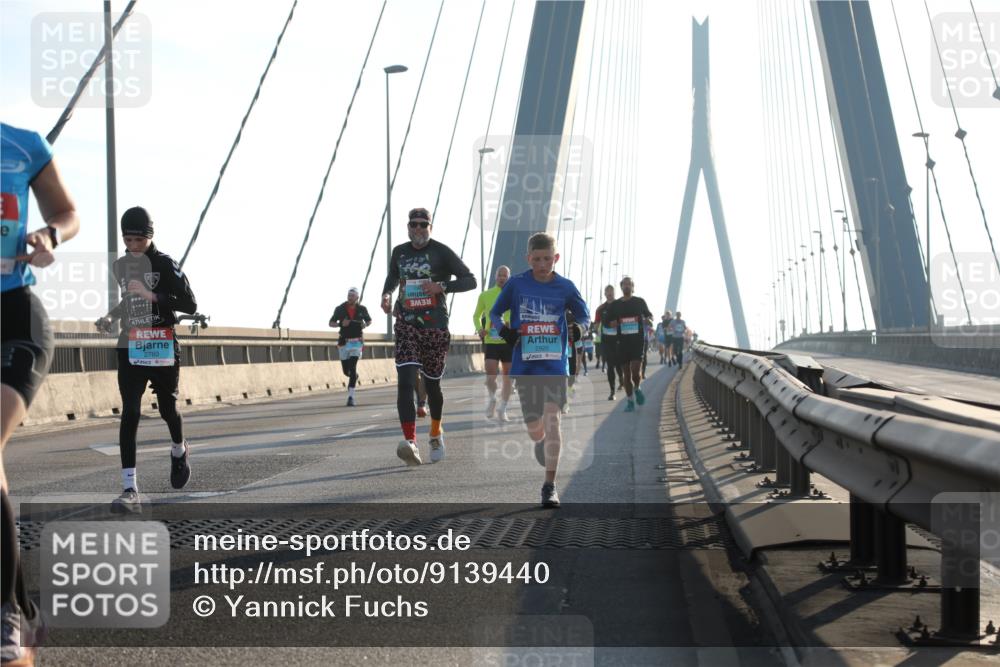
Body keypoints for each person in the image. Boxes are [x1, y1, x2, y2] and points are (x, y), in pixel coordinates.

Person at [1, 122, 80, 667]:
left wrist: (50, 236)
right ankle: (25, 610)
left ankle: (4, 616)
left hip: (16, 318)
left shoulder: (23, 145)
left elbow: (67, 213)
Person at [95, 207, 198, 513]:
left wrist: (154, 296)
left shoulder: (166, 264)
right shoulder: (120, 265)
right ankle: (130, 489)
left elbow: (190, 304)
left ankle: (179, 450)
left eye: (138, 239)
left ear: (149, 237)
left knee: (167, 408)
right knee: (129, 413)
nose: (133, 245)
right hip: (131, 344)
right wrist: (109, 317)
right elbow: (129, 300)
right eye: (127, 240)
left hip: (162, 343)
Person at [491, 233, 588, 507]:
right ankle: (540, 440)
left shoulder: (566, 287)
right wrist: (505, 333)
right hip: (525, 366)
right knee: (535, 427)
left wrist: (579, 329)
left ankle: (549, 485)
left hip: (555, 365)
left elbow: (584, 315)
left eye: (547, 259)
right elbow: (495, 315)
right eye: (537, 260)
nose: (542, 264)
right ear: (528, 259)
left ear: (556, 258)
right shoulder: (517, 284)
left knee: (553, 419)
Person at [381, 207, 475, 465]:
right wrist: (387, 294)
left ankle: (435, 432)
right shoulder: (399, 252)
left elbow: (470, 280)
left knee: (432, 385)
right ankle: (410, 442)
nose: (418, 229)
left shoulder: (441, 252)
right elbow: (393, 276)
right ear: (408, 227)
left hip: (434, 325)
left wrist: (441, 286)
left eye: (423, 224)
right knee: (406, 380)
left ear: (430, 227)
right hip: (407, 324)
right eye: (414, 224)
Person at [471, 265, 513, 421]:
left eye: (505, 276)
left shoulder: (514, 296)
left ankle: (503, 408)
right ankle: (492, 399)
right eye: (500, 275)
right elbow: (476, 316)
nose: (502, 278)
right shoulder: (485, 295)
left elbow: (522, 315)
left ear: (509, 278)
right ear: (496, 277)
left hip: (508, 340)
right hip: (491, 340)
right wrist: (480, 329)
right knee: (490, 375)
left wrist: (512, 324)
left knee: (508, 376)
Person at [609, 276, 652, 413]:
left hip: (637, 341)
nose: (627, 286)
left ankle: (637, 387)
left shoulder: (639, 302)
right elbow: (607, 321)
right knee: (626, 374)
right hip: (622, 342)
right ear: (621, 287)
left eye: (629, 284)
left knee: (635, 372)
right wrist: (612, 323)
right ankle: (630, 402)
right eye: (625, 284)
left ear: (633, 287)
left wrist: (648, 320)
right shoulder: (615, 305)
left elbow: (649, 316)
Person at [329, 287, 372, 406]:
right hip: (343, 342)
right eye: (349, 295)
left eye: (352, 296)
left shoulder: (362, 309)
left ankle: (351, 397)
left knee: (352, 367)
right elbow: (330, 323)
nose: (350, 297)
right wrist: (340, 324)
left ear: (357, 297)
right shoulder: (340, 308)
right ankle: (354, 376)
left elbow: (369, 321)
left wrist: (365, 324)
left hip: (356, 342)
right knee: (346, 371)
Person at [594, 285, 624, 401]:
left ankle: (621, 378)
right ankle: (612, 391)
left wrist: (618, 323)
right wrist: (596, 329)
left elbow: (626, 318)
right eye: (607, 292)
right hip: (606, 341)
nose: (610, 293)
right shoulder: (600, 309)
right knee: (610, 365)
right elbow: (596, 324)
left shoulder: (620, 305)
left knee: (619, 365)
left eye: (611, 291)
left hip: (619, 340)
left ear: (614, 293)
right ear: (605, 294)